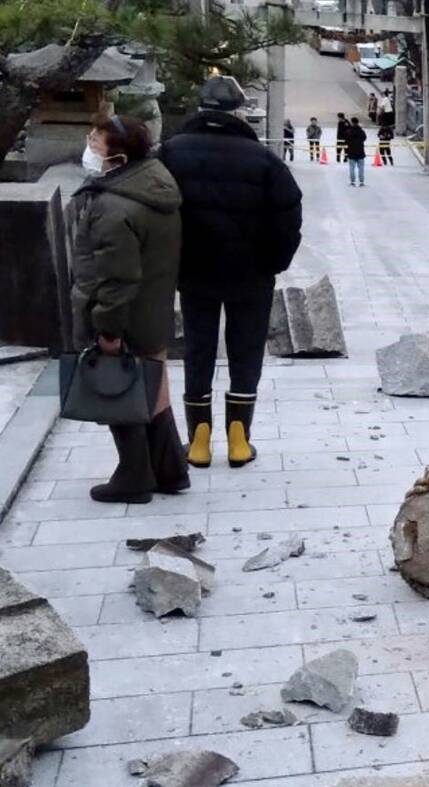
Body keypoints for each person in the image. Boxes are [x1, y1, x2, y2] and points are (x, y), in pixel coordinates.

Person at [159, 75, 302, 470]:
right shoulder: (265, 161)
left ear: (201, 108)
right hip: (251, 274)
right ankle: (239, 438)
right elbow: (289, 217)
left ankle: (199, 439)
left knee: (198, 348)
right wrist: (274, 262)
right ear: (239, 112)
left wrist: (172, 260)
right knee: (245, 350)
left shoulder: (170, 153)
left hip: (194, 270)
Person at [69, 114, 189, 503]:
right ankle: (170, 470)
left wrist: (107, 330)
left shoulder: (115, 206)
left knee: (118, 388)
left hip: (126, 316)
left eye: (95, 142)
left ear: (117, 158)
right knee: (154, 391)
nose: (89, 146)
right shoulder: (155, 186)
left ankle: (133, 476)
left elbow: (116, 277)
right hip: (153, 309)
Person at [345, 116, 367, 186]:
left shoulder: (348, 131)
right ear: (357, 123)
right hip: (360, 151)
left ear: (352, 122)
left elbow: (346, 140)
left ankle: (352, 181)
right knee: (361, 168)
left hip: (351, 151)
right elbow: (364, 138)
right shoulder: (361, 131)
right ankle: (361, 181)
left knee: (352, 168)